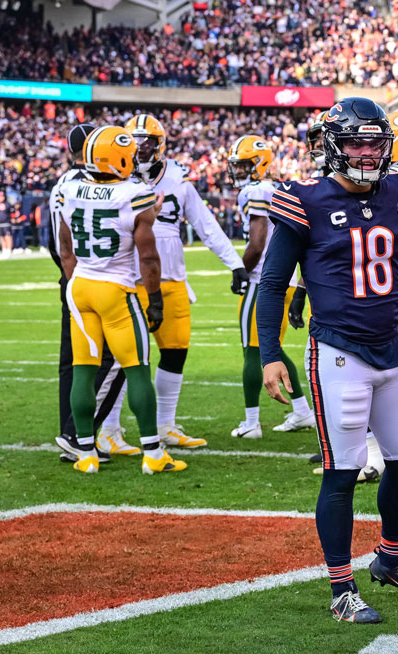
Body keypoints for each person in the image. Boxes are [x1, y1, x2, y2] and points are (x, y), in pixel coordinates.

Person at [259, 98, 398, 627]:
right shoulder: (302, 198)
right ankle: (340, 588)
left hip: (392, 344)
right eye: (357, 142)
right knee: (342, 471)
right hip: (337, 351)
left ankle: (392, 559)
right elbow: (273, 282)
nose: (370, 153)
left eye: (377, 142)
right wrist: (269, 352)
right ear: (333, 146)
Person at [112, 114, 248, 452]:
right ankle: (109, 429)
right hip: (130, 280)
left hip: (172, 279)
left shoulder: (178, 179)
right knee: (124, 358)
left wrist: (234, 263)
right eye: (135, 142)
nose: (141, 150)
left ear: (160, 145)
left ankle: (165, 425)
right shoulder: (116, 180)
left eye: (147, 142)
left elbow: (205, 224)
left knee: (174, 353)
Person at [55, 125, 186, 475]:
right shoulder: (135, 193)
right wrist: (155, 297)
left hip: (80, 286)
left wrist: (76, 282)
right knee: (137, 369)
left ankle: (85, 453)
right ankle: (154, 455)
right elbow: (148, 257)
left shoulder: (68, 188)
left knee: (84, 371)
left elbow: (65, 249)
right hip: (116, 290)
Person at [225, 135, 314, 440]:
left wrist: (241, 268)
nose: (237, 171)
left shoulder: (257, 190)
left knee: (253, 351)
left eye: (243, 164)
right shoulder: (276, 187)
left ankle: (251, 422)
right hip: (285, 277)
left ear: (259, 163)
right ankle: (303, 411)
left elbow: (257, 241)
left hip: (264, 279)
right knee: (270, 348)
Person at [48, 123, 127, 464]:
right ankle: (79, 434)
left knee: (73, 363)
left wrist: (69, 278)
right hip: (101, 278)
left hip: (71, 278)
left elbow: (55, 241)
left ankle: (73, 434)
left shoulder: (61, 185)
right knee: (116, 358)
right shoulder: (101, 183)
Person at [0, 192, 13, 258]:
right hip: (0, 223)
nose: (0, 198)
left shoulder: (8, 204)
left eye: (2, 196)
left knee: (8, 237)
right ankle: (4, 251)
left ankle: (9, 251)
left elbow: (12, 213)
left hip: (6, 223)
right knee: (2, 238)